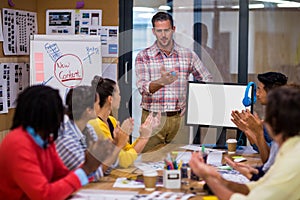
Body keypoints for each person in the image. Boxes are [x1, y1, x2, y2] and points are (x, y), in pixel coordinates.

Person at [0, 85, 112, 199]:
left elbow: (61, 175)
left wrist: (90, 166)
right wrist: (86, 168)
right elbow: (44, 195)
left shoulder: (45, 140)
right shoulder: (18, 144)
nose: (62, 116)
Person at [189, 86, 300, 200]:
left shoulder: (293, 160)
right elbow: (257, 187)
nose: (263, 121)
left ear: (273, 122)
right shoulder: (288, 149)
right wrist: (219, 179)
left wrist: (208, 177)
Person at [135, 12, 213, 152]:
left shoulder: (188, 55)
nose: (163, 35)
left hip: (179, 119)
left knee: (178, 162)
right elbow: (143, 88)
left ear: (173, 29)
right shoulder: (143, 56)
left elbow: (207, 80)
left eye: (166, 30)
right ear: (153, 31)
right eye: (159, 31)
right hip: (152, 119)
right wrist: (162, 81)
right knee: (149, 161)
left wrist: (192, 101)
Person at [89, 76, 161, 168]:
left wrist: (146, 132)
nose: (120, 97)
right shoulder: (96, 124)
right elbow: (124, 161)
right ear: (110, 99)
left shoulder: (111, 120)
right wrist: (144, 138)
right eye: (119, 94)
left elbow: (127, 151)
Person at [55, 86, 119, 181]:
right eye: (97, 104)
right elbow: (90, 174)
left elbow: (106, 167)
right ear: (88, 110)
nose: (99, 107)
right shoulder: (66, 138)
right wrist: (118, 145)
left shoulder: (88, 129)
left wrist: (112, 146)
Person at [231, 72, 288, 163]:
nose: (257, 94)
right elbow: (260, 148)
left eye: (259, 90)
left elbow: (270, 157)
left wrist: (255, 131)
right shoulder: (271, 116)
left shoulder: (283, 118)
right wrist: (248, 130)